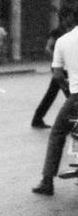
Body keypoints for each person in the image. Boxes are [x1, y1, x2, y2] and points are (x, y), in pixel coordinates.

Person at [32, 20, 78, 195]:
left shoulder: (63, 41)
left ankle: (47, 181)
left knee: (58, 134)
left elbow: (57, 75)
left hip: (75, 98)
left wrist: (69, 91)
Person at [31, 11, 74, 128]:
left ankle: (37, 119)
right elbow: (48, 48)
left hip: (63, 68)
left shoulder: (68, 31)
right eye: (70, 16)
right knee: (71, 94)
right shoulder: (57, 32)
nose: (72, 19)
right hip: (59, 68)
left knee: (52, 94)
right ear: (64, 17)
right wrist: (58, 61)